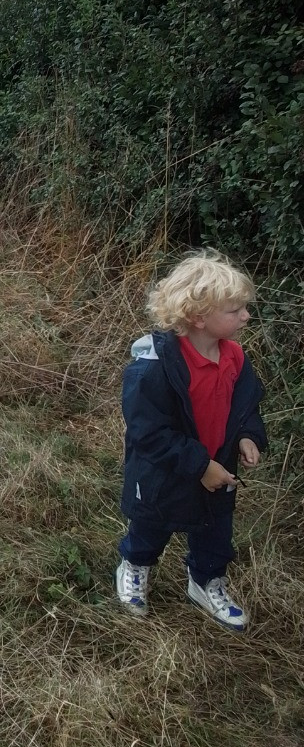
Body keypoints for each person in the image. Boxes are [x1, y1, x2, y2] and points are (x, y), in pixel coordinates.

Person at [115, 250, 266, 631]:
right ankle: (135, 565)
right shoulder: (154, 366)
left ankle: (206, 582)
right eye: (235, 311)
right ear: (199, 317)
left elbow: (246, 404)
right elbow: (148, 431)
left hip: (219, 469)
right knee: (151, 525)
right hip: (164, 473)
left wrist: (249, 436)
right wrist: (199, 466)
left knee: (215, 532)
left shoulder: (234, 357)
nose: (245, 317)